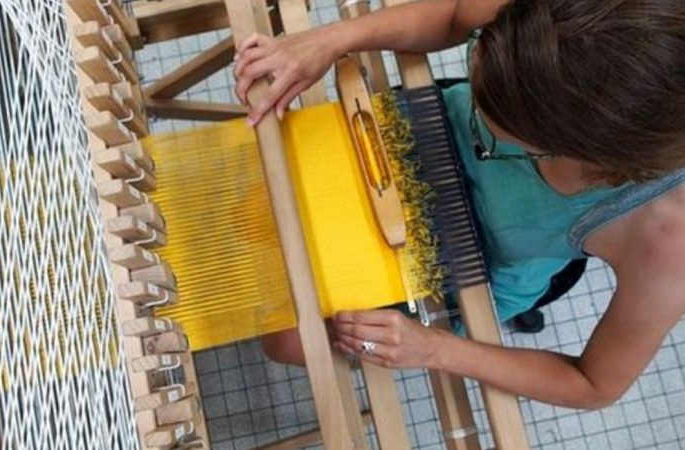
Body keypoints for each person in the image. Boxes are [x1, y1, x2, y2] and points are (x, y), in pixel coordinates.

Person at [232, 0, 685, 410]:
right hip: (424, 131)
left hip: (465, 261)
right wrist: (330, 40)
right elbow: (453, 15)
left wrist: (432, 348)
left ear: (588, 159)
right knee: (253, 191)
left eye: (499, 134)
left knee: (290, 339)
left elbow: (594, 385)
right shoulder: (574, 21)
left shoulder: (666, 234)